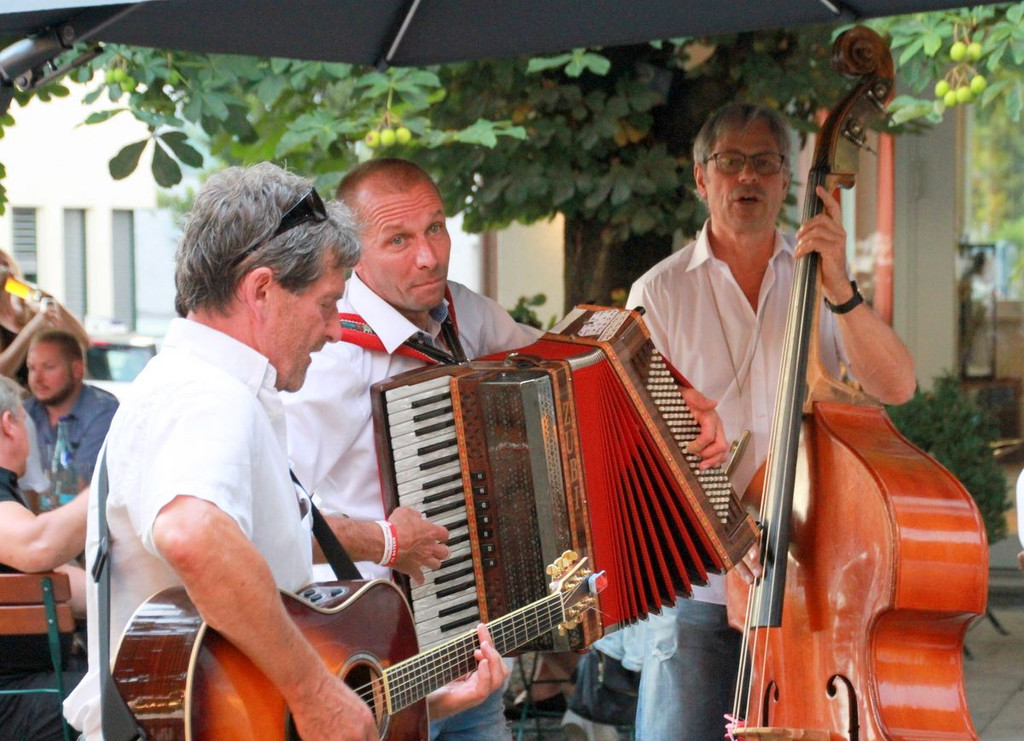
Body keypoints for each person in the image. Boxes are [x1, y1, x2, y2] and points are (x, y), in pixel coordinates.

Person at [283, 157, 730, 740]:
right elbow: (278, 525)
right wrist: (387, 540)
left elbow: (573, 365)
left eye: (435, 228)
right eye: (399, 240)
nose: (429, 256)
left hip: (475, 656)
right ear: (352, 255)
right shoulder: (330, 358)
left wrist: (674, 394)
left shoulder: (464, 314)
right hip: (380, 664)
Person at [62, 162, 507, 740]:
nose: (336, 330)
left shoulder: (211, 387)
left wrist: (417, 702)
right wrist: (315, 692)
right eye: (326, 304)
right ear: (261, 291)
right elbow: (191, 533)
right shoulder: (206, 395)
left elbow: (251, 683)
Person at [624, 102, 916, 741]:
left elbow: (896, 385)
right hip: (700, 585)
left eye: (764, 163)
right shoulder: (659, 294)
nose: (747, 177)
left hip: (812, 582)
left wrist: (841, 288)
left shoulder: (820, 277)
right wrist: (727, 537)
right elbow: (649, 451)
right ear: (701, 178)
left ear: (787, 180)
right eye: (730, 162)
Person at [0, 375, 89, 741]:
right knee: (131, 700)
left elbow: (68, 583)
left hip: (26, 688)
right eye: (25, 420)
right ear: (9, 424)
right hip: (16, 696)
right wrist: (113, 479)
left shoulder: (9, 494)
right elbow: (36, 545)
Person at [25, 329, 119, 487]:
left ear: (77, 370)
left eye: (49, 367)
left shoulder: (103, 411)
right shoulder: (24, 413)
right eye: (31, 368)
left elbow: (80, 485)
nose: (37, 378)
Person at [0, 248, 89, 386]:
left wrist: (43, 296)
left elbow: (82, 340)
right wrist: (32, 329)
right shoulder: (35, 321)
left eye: (6, 265)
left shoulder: (30, 312)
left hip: (45, 397)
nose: (5, 273)